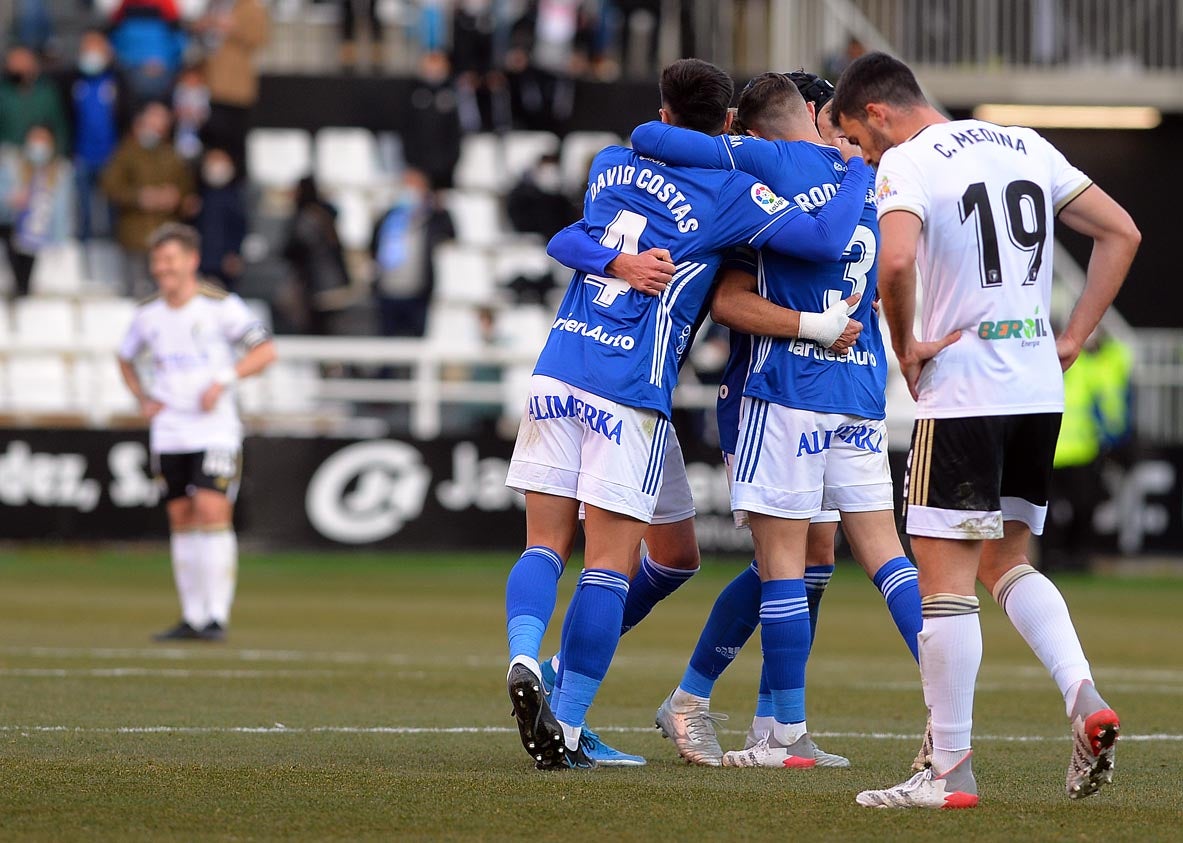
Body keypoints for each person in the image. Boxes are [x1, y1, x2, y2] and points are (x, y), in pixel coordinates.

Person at [502, 57, 873, 770]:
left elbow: (564, 239)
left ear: (664, 114)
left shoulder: (612, 162)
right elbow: (823, 242)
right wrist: (853, 169)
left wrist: (612, 263)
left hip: (557, 369)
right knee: (608, 566)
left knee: (639, 553)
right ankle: (570, 724)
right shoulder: (734, 193)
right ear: (729, 124)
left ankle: (531, 661)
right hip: (630, 391)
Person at [831, 51, 1140, 808]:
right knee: (1005, 561)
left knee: (943, 586)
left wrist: (904, 346)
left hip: (963, 388)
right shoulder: (1023, 143)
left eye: (859, 141)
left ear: (876, 113)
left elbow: (895, 261)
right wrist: (1070, 338)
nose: (866, 159)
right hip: (1034, 387)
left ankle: (948, 770)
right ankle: (1082, 695)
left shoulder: (908, 160)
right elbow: (1120, 232)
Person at [630, 70, 923, 769]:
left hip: (813, 388)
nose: (840, 130)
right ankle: (711, 703)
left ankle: (774, 724)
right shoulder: (851, 181)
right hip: (805, 389)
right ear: (813, 115)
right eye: (831, 117)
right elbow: (730, 302)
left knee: (803, 560)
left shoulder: (802, 178)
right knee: (814, 558)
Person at [117, 223, 277, 642]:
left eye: (169, 259)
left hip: (215, 428)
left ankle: (215, 617)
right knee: (180, 515)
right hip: (169, 428)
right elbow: (124, 357)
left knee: (211, 510)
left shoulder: (221, 306)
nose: (161, 268)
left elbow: (265, 350)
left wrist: (223, 379)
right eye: (157, 261)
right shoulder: (147, 313)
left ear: (191, 260)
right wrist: (142, 398)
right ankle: (191, 616)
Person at [101, 101, 196, 296]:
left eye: (161, 120)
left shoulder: (172, 155)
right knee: (132, 294)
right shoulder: (126, 152)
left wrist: (175, 198)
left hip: (164, 236)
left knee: (162, 295)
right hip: (133, 234)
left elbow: (188, 194)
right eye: (152, 118)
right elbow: (109, 187)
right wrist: (140, 197)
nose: (156, 124)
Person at [371, 168, 454, 338]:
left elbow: (450, 232)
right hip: (388, 292)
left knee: (416, 343)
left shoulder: (431, 218)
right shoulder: (388, 216)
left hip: (417, 293)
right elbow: (373, 244)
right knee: (388, 346)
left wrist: (436, 206)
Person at [0, 125, 75, 297]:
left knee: (32, 240)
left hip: (40, 230)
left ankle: (24, 288)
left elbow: (61, 211)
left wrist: (59, 237)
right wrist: (10, 199)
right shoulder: (12, 165)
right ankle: (20, 287)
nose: (38, 145)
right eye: (35, 139)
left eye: (43, 140)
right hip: (11, 223)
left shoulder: (59, 171)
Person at [196, 0, 269, 170]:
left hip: (236, 90)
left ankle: (235, 187)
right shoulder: (213, 5)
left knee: (233, 143)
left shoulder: (251, 7)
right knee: (210, 141)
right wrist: (202, 26)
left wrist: (232, 28)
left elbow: (260, 38)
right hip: (207, 86)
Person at [70, 29, 125, 244]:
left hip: (111, 155)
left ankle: (113, 242)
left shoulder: (117, 81)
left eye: (96, 48)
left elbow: (125, 115)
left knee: (112, 207)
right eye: (87, 48)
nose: (91, 53)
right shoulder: (73, 81)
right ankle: (83, 245)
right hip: (82, 154)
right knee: (83, 206)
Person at [282, 176, 351, 335]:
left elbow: (298, 247)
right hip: (332, 281)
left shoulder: (308, 216)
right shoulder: (323, 213)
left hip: (319, 285)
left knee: (321, 333)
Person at [194, 147, 247, 291]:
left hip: (225, 264)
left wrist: (234, 253)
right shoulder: (198, 197)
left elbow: (239, 229)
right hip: (199, 262)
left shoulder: (235, 197)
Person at [0, 45, 69, 155]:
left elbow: (59, 127)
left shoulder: (47, 92)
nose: (18, 64)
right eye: (14, 60)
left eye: (22, 59)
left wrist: (59, 153)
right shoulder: (3, 94)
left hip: (43, 153)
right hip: (9, 155)